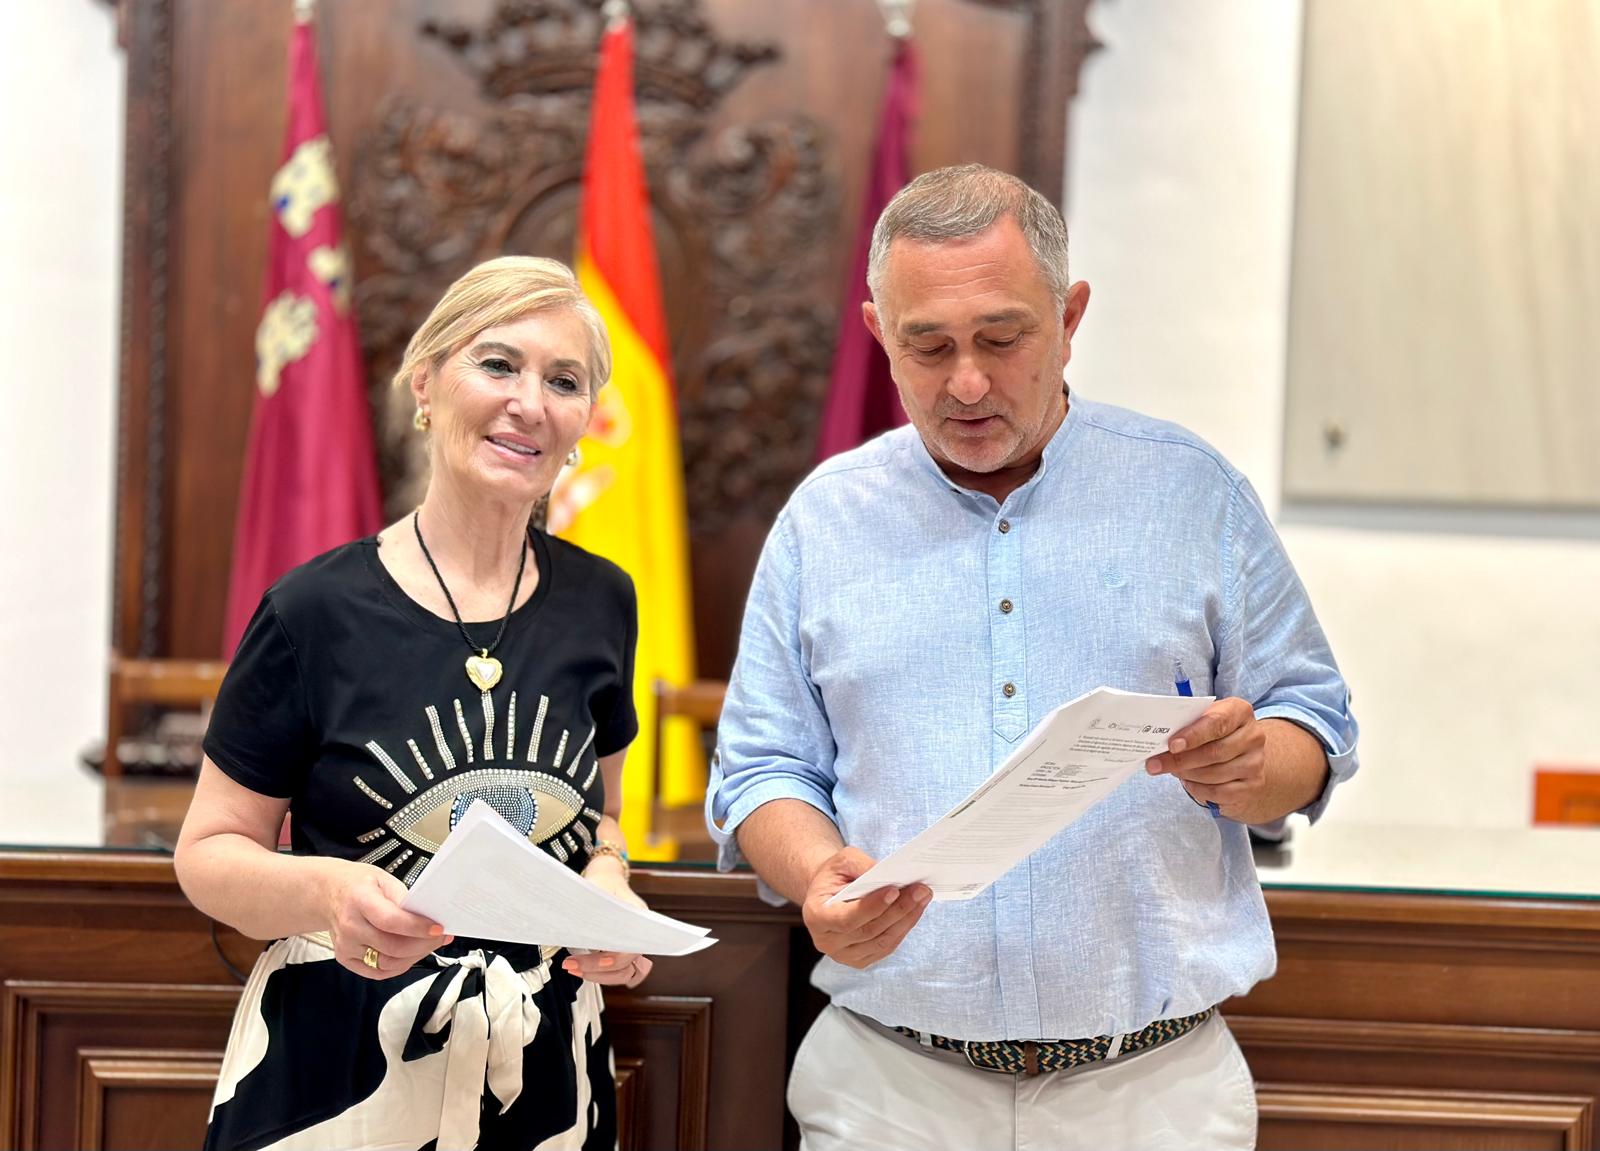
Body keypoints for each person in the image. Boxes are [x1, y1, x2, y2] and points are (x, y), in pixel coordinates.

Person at [709, 164, 1359, 1150]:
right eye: (927, 344)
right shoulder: (823, 522)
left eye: (1002, 338)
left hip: (1151, 1087)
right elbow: (761, 769)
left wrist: (1252, 766)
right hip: (890, 1083)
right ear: (878, 331)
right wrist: (814, 877)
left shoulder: (1190, 493)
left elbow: (1311, 718)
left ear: (1070, 315)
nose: (965, 381)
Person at [176, 256, 647, 1151]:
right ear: (426, 384)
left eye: (564, 380)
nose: (530, 403)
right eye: (498, 365)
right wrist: (330, 889)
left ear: (586, 418)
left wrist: (608, 885)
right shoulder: (312, 611)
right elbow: (207, 854)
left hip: (543, 1075)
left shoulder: (605, 601)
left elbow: (603, 819)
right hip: (336, 1061)